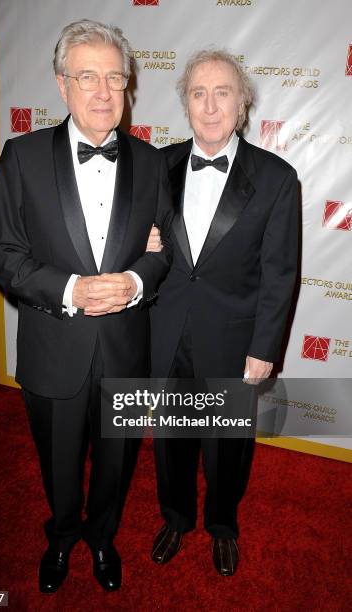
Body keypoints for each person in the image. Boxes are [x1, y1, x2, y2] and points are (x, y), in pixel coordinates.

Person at [0, 19, 172, 593]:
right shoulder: (21, 157)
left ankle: (102, 538)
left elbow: (168, 251)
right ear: (62, 84)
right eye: (87, 76)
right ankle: (62, 537)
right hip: (53, 347)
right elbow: (1, 252)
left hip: (124, 348)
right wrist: (70, 290)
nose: (103, 91)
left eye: (115, 77)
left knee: (116, 463)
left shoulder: (152, 161)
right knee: (59, 463)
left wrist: (137, 281)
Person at [150, 49, 298, 575]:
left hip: (234, 340)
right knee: (170, 440)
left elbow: (280, 274)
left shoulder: (277, 178)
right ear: (185, 103)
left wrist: (264, 349)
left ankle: (221, 525)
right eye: (198, 93)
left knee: (226, 447)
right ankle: (175, 517)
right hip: (166, 333)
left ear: (242, 105)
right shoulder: (157, 166)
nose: (209, 107)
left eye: (222, 93)